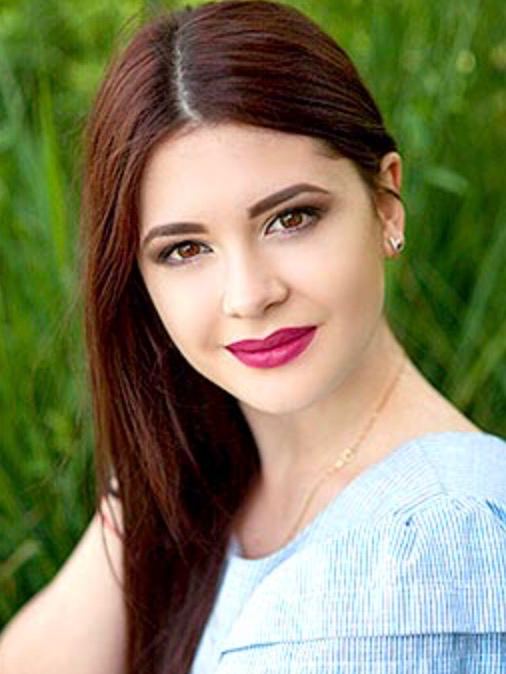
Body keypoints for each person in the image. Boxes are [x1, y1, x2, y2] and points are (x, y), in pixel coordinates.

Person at [0, 1, 505, 672]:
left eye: (291, 218)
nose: (249, 295)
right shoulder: (210, 474)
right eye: (184, 250)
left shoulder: (429, 547)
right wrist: (152, 474)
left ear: (386, 204)